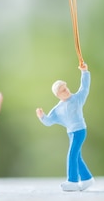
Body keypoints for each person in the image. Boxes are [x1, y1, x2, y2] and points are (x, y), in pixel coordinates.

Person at [36, 63, 94, 191]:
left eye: (66, 87)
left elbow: (84, 88)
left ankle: (72, 181)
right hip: (71, 132)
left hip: (80, 131)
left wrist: (85, 72)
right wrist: (42, 116)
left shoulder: (77, 98)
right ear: (58, 95)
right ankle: (87, 178)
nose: (66, 90)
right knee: (77, 156)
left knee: (72, 155)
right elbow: (49, 121)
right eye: (63, 90)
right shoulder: (58, 109)